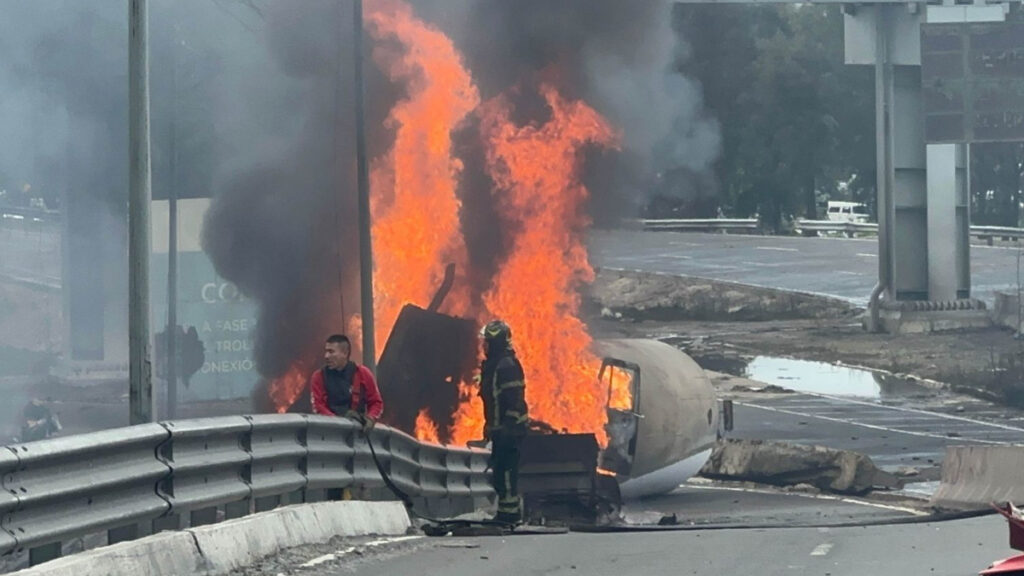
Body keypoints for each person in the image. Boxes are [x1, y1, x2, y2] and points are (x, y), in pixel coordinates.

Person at [479, 319, 529, 525]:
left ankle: (510, 515)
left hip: (510, 430)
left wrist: (508, 426)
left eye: (488, 342)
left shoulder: (506, 365)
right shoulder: (494, 365)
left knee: (507, 473)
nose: (484, 346)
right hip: (500, 429)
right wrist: (490, 427)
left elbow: (515, 399)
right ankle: (505, 512)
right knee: (500, 472)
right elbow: (493, 401)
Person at [310, 334, 383, 431]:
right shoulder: (319, 376)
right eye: (326, 351)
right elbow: (318, 406)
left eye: (331, 352)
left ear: (345, 353)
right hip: (328, 433)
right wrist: (338, 422)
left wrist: (370, 418)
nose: (326, 356)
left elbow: (376, 403)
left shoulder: (363, 374)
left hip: (357, 433)